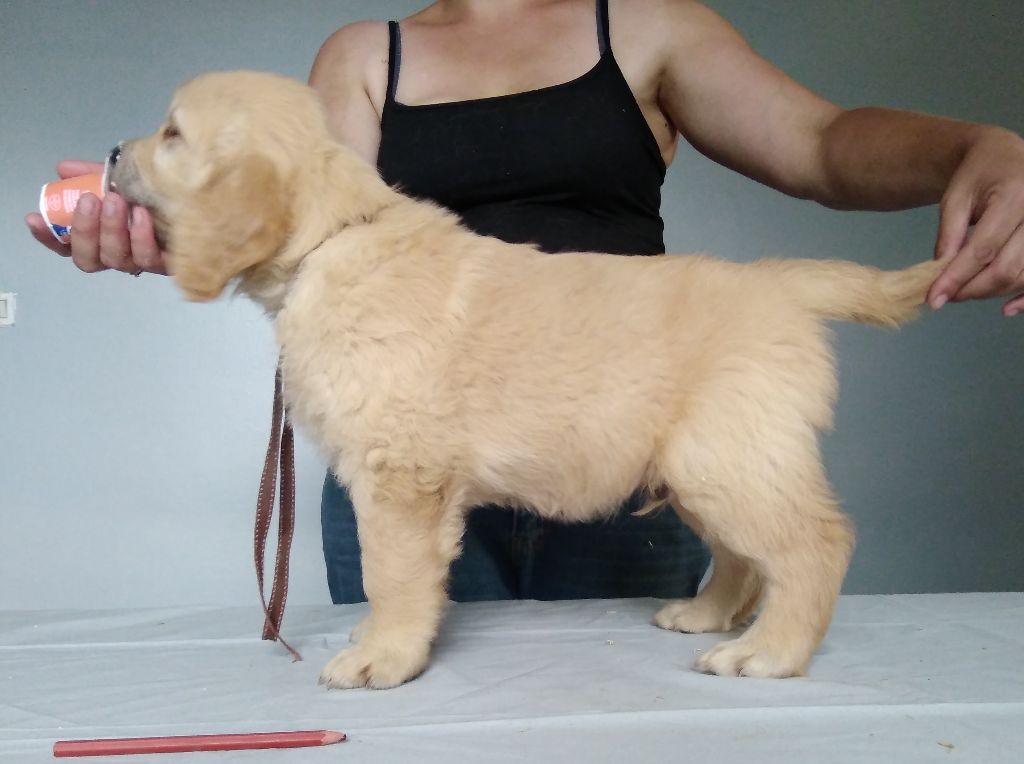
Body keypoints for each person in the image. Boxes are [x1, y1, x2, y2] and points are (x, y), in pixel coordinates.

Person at [25, 0, 1024, 605]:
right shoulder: (364, 53)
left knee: (629, 726)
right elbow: (295, 232)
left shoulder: (648, 24)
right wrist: (176, 231)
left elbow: (822, 144)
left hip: (616, 447)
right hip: (408, 453)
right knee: (417, 726)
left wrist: (975, 148)